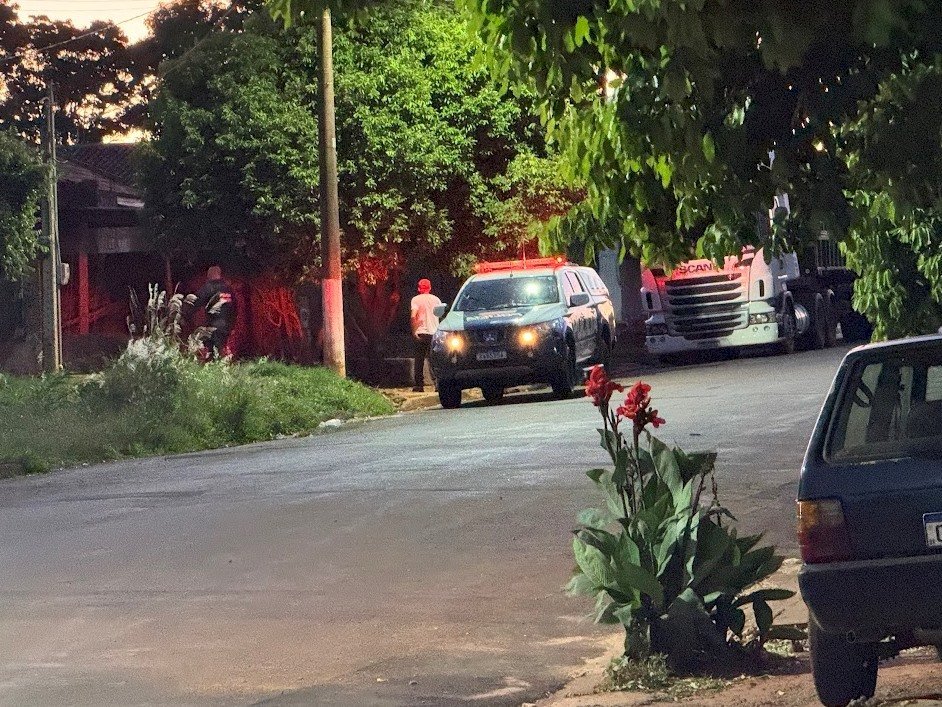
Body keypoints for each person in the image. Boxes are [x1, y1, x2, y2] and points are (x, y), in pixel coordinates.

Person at [191, 265, 237, 360]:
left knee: (211, 352)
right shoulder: (228, 289)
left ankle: (216, 365)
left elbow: (195, 303)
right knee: (221, 348)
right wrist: (232, 325)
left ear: (209, 275)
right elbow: (234, 308)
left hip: (212, 325)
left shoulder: (207, 288)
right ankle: (224, 364)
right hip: (226, 326)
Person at [410, 278, 442, 392]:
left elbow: (413, 316)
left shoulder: (415, 300)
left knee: (419, 360)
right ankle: (437, 383)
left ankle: (419, 385)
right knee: (434, 359)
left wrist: (414, 331)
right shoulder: (436, 300)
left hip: (421, 332)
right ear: (430, 288)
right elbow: (440, 315)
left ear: (419, 288)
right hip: (434, 333)